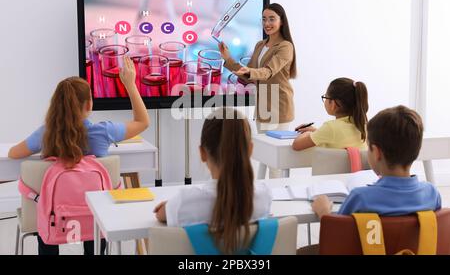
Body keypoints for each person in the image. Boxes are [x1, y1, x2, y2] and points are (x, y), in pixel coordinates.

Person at [8, 57, 150, 255]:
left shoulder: (46, 134)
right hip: (94, 216)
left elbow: (13, 153)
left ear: (56, 104)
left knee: (47, 223)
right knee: (94, 219)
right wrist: (130, 85)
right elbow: (143, 122)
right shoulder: (104, 132)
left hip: (55, 216)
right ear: (89, 104)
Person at [153, 108, 272, 254]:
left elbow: (160, 214)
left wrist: (170, 205)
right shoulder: (264, 196)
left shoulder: (185, 202)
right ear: (250, 150)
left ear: (203, 153)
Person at [312, 105, 441, 219]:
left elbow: (338, 238)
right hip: (416, 248)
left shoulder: (360, 198)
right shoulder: (432, 194)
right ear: (417, 150)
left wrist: (324, 212)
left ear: (377, 152)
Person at [219, 3, 296, 178]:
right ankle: (262, 191)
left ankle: (276, 197)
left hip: (279, 106)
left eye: (271, 19)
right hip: (263, 108)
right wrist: (228, 59)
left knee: (274, 160)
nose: (267, 23)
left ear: (281, 21)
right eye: (264, 19)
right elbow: (250, 76)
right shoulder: (260, 45)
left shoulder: (285, 47)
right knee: (265, 155)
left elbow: (268, 72)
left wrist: (250, 71)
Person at [292, 77, 368, 151]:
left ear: (333, 104)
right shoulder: (363, 126)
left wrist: (308, 133)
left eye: (325, 97)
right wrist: (316, 131)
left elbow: (296, 145)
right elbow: (337, 136)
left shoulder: (331, 128)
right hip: (353, 164)